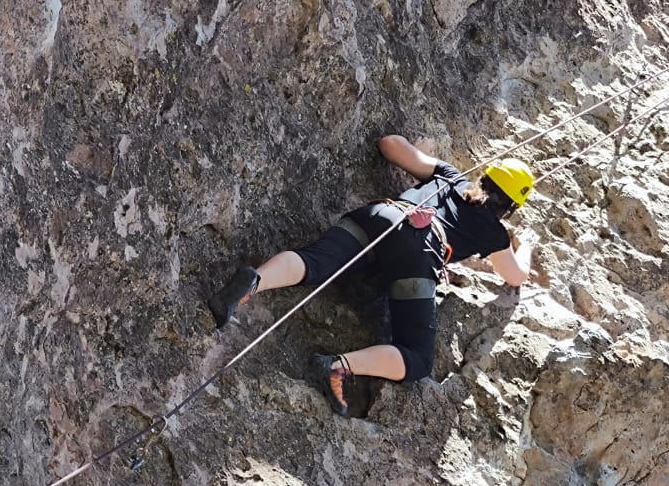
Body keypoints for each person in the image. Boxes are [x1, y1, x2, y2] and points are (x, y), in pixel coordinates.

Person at [208, 135, 537, 416]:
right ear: (512, 207)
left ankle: (254, 281)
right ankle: (337, 365)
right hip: (419, 251)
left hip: (384, 215)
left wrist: (421, 147)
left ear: (485, 177)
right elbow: (515, 276)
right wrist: (526, 247)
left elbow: (389, 145)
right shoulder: (495, 234)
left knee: (315, 261)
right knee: (417, 358)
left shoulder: (451, 176)